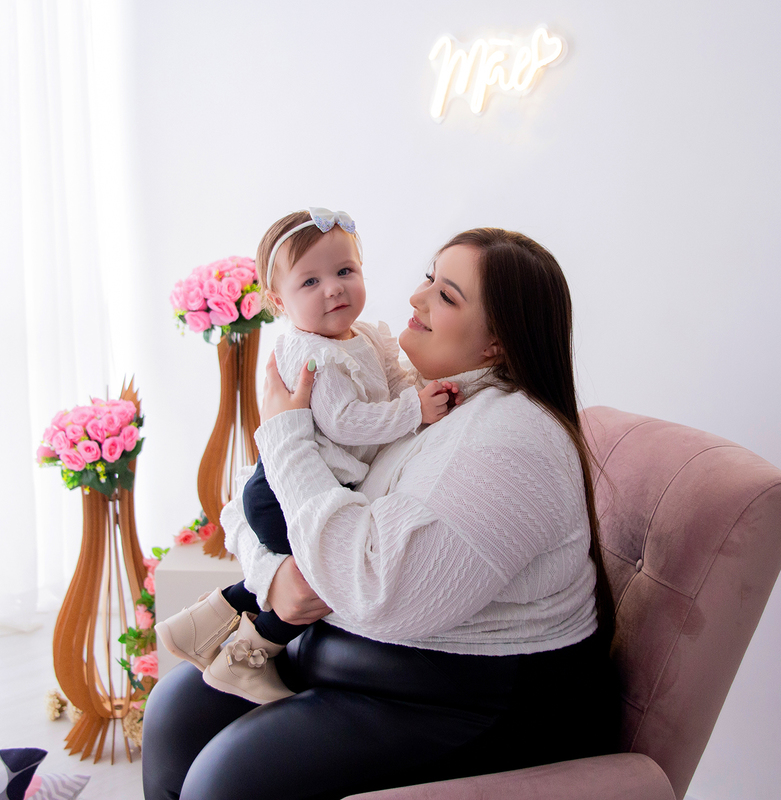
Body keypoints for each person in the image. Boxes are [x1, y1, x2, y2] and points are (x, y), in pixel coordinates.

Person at [143, 227, 620, 800]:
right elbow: (250, 497)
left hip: (459, 696)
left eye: (446, 296)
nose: (416, 298)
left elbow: (373, 588)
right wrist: (275, 576)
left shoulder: (512, 441)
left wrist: (286, 435)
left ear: (497, 342)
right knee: (174, 712)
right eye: (429, 278)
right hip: (349, 652)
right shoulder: (415, 395)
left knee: (224, 782)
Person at [155, 208, 458, 704]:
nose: (333, 289)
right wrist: (414, 411)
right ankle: (247, 658)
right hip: (280, 492)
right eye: (310, 281)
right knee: (320, 576)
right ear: (278, 301)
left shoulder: (362, 336)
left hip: (305, 484)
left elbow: (393, 380)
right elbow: (345, 421)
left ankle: (198, 623)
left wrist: (417, 391)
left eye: (345, 271)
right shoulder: (314, 355)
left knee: (300, 571)